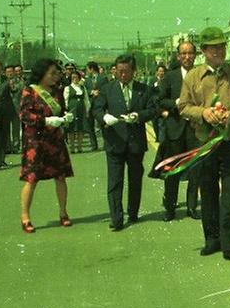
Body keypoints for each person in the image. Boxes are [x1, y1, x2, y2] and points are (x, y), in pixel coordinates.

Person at [178, 27, 230, 264]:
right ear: (204, 51)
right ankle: (211, 239)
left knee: (229, 195)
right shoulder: (193, 77)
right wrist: (204, 113)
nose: (219, 51)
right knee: (208, 192)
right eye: (214, 48)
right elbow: (183, 107)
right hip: (204, 143)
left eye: (222, 47)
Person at [92, 54, 157, 232]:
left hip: (135, 142)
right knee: (115, 181)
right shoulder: (107, 88)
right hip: (115, 140)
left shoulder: (143, 89)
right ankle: (116, 218)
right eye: (119, 71)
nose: (122, 75)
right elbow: (96, 108)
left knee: (135, 179)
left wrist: (138, 116)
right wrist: (104, 117)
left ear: (133, 71)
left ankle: (133, 212)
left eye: (126, 72)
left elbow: (152, 109)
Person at [19, 59, 75, 233]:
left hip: (54, 140)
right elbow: (24, 115)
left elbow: (61, 111)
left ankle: (63, 212)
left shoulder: (57, 92)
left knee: (60, 177)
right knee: (32, 180)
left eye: (56, 73)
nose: (55, 76)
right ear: (42, 74)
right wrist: (45, 120)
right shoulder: (29, 91)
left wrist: (66, 117)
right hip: (35, 142)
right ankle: (25, 217)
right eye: (52, 73)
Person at [153, 41, 201, 221]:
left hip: (195, 129)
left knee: (196, 170)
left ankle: (192, 207)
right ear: (178, 56)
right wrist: (175, 103)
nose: (187, 57)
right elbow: (159, 100)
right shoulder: (170, 77)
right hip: (175, 130)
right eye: (184, 53)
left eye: (190, 53)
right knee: (172, 171)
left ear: (195, 55)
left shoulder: (201, 75)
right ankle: (170, 208)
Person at [63, 71, 88, 153]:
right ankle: (72, 147)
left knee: (80, 128)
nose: (75, 79)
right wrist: (66, 110)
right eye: (73, 77)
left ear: (79, 78)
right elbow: (65, 100)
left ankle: (79, 146)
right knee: (71, 128)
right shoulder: (67, 88)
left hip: (81, 110)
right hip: (72, 110)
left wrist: (87, 109)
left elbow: (86, 99)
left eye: (76, 77)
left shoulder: (82, 88)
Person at [84, 61, 106, 151]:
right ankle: (94, 145)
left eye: (88, 69)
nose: (87, 71)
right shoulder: (87, 80)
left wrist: (99, 92)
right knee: (90, 126)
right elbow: (85, 90)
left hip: (100, 105)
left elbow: (106, 89)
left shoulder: (103, 78)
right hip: (90, 105)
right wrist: (91, 92)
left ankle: (106, 143)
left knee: (102, 124)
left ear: (91, 69)